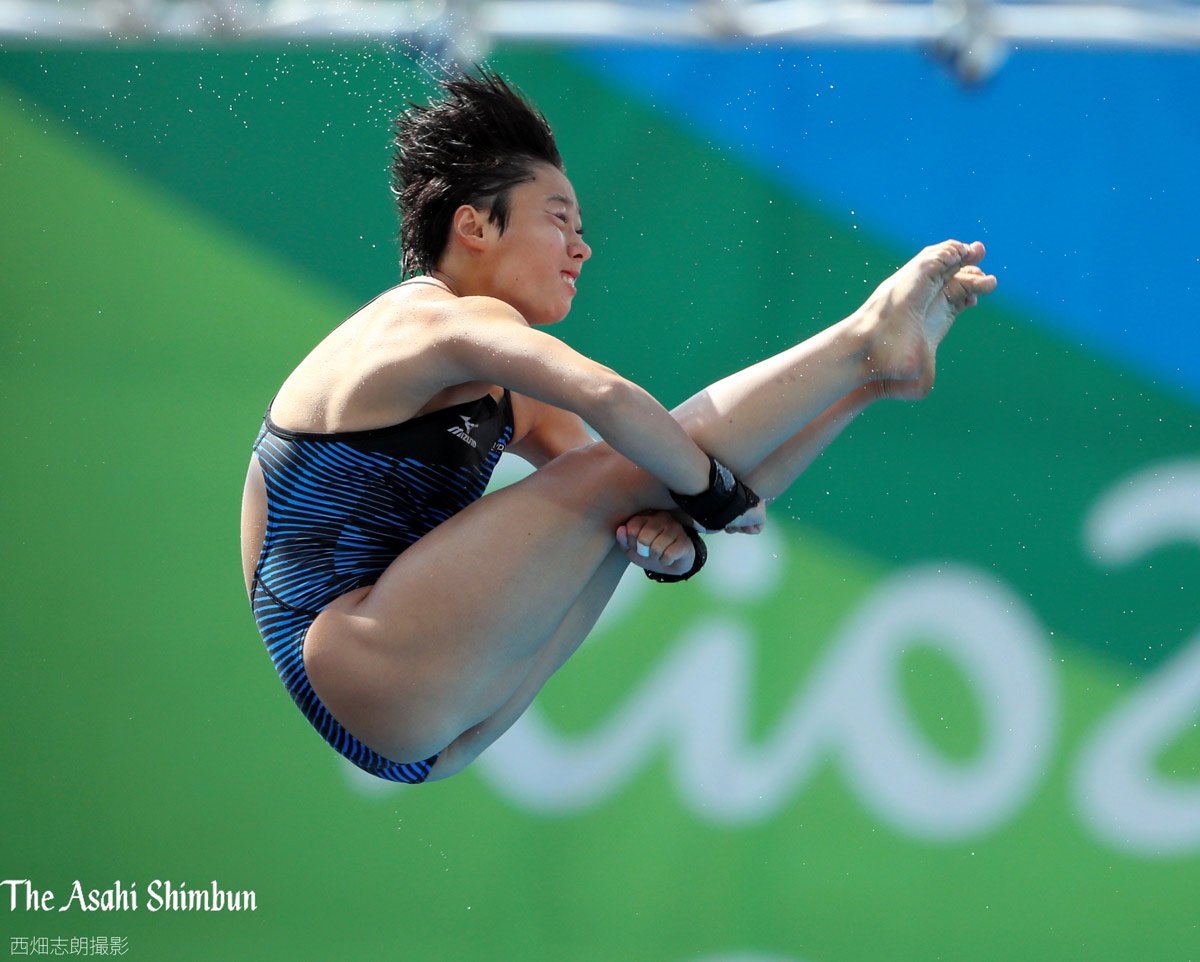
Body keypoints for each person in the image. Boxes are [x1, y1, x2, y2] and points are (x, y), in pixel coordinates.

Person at [239, 70, 997, 784]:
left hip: (444, 724)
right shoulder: (421, 323)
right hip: (353, 658)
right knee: (633, 466)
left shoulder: (507, 389)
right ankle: (863, 338)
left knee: (642, 476)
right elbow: (609, 399)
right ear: (473, 226)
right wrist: (703, 496)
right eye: (559, 220)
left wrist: (671, 538)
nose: (581, 247)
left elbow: (671, 484)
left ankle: (871, 380)